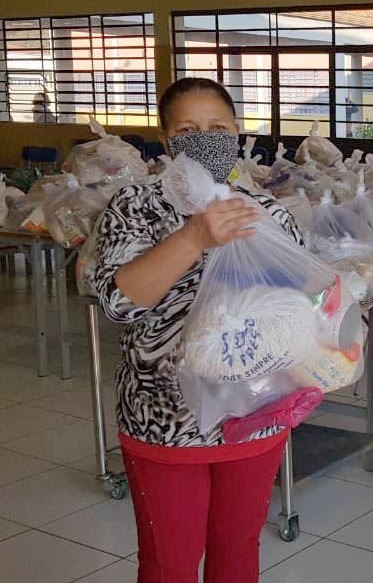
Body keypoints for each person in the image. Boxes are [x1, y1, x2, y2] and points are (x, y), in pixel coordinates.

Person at [94, 77, 304, 583]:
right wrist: (193, 237)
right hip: (164, 417)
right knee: (169, 564)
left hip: (252, 413)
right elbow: (118, 303)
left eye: (218, 129)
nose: (205, 140)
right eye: (188, 130)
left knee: (237, 555)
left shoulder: (268, 213)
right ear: (166, 141)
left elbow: (300, 306)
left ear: (237, 135)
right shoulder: (135, 205)